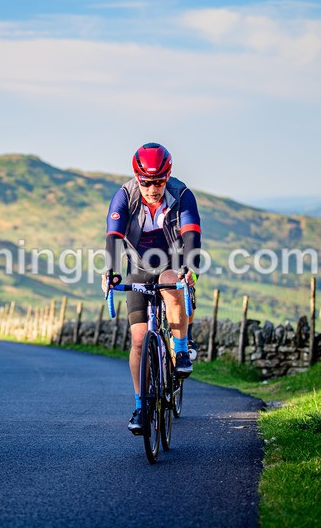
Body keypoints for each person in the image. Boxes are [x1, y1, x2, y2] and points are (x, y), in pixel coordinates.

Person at [102, 142, 201, 435]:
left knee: (171, 284)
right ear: (137, 178)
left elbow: (192, 234)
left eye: (158, 181)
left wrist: (190, 268)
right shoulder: (125, 195)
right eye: (146, 182)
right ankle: (141, 406)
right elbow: (113, 235)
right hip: (139, 265)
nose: (152, 188)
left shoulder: (181, 195)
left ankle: (181, 351)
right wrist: (110, 270)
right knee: (137, 339)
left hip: (173, 259)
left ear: (167, 176)